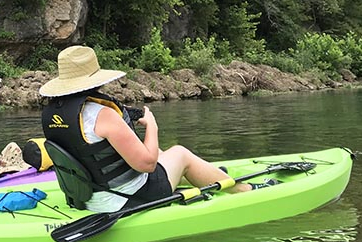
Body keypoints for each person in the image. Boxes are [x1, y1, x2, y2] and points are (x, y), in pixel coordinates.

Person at [39, 46, 277, 213]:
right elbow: (147, 165)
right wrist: (152, 125)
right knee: (180, 153)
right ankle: (245, 190)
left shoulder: (53, 114)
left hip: (89, 198)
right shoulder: (103, 115)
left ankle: (204, 173)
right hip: (128, 198)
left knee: (163, 153)